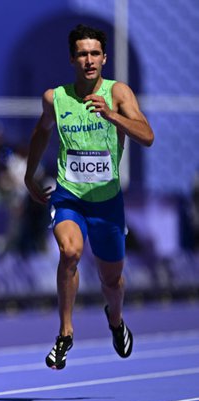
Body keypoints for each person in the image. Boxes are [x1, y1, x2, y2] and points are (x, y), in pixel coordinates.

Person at [24, 24, 154, 370]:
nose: (89, 60)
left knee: (111, 279)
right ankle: (65, 332)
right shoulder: (56, 98)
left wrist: (112, 115)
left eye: (95, 53)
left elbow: (147, 136)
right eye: (82, 54)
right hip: (70, 196)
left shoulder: (119, 93)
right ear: (72, 59)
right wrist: (29, 174)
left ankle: (115, 319)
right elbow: (41, 133)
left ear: (104, 58)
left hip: (108, 202)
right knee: (70, 252)